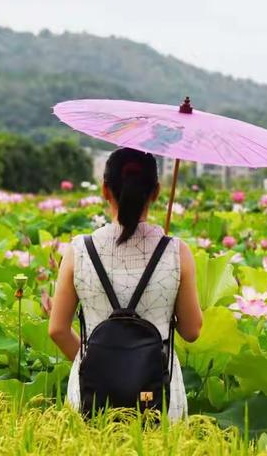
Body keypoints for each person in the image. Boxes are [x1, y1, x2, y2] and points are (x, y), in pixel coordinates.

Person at [48, 147, 202, 420]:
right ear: (155, 192)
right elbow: (191, 331)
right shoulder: (177, 252)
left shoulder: (78, 251)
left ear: (105, 190)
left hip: (89, 394)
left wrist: (99, 366)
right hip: (159, 395)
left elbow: (58, 330)